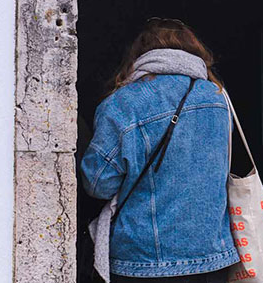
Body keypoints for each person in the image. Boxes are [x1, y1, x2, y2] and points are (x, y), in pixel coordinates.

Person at [80, 18, 239, 283]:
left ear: (139, 55)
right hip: (213, 255)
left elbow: (98, 184)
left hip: (144, 261)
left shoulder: (122, 103)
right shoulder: (218, 98)